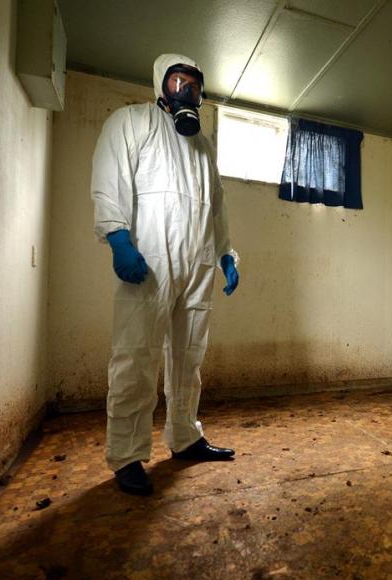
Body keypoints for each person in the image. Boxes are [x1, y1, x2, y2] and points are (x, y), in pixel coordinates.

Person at [91, 53, 240, 496]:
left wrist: (226, 253)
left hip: (197, 263)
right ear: (161, 83)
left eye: (194, 85)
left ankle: (186, 437)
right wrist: (117, 237)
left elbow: (217, 203)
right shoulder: (131, 122)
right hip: (149, 262)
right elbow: (108, 178)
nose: (186, 92)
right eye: (178, 82)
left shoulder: (204, 146)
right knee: (136, 357)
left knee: (189, 357)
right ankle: (128, 456)